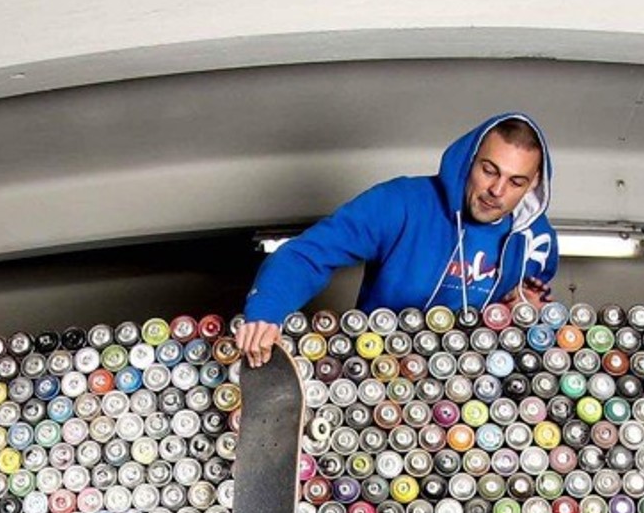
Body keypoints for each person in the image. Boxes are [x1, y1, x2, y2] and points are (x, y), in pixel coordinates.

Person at [237, 113, 558, 366]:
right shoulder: (402, 203)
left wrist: (527, 311)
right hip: (378, 368)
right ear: (469, 160)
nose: (497, 190)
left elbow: (527, 301)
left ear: (533, 184)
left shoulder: (535, 238)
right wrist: (267, 309)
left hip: (470, 388)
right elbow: (310, 254)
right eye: (489, 170)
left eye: (516, 182)